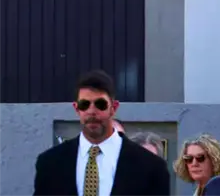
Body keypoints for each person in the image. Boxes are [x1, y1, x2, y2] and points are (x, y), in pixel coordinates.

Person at [33, 70, 170, 196]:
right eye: (84, 104)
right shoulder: (50, 163)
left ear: (113, 107)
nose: (92, 111)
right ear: (76, 109)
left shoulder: (151, 166)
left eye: (100, 104)